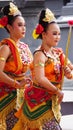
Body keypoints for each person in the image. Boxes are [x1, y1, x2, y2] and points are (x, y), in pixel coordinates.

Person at [13, 8, 73, 130]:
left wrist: (68, 73)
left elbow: (71, 72)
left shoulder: (58, 53)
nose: (58, 37)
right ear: (44, 34)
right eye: (54, 34)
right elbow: (40, 78)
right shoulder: (40, 55)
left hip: (52, 102)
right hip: (38, 102)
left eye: (59, 34)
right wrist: (57, 91)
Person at [0, 2, 33, 130]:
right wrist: (16, 84)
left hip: (23, 93)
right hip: (8, 95)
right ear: (9, 27)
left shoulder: (25, 47)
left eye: (24, 25)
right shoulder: (5, 48)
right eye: (19, 25)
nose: (24, 28)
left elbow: (33, 69)